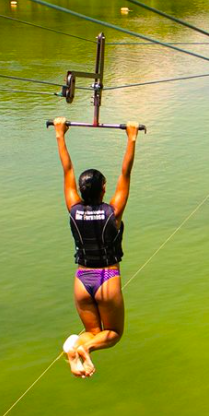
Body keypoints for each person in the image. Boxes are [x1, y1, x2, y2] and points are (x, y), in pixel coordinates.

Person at [53, 117, 139, 378]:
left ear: (80, 191)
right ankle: (86, 349)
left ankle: (77, 348)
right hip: (107, 279)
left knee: (92, 329)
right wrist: (131, 137)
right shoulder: (113, 213)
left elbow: (67, 171)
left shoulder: (73, 208)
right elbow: (126, 173)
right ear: (103, 190)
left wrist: (60, 134)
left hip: (82, 280)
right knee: (112, 334)